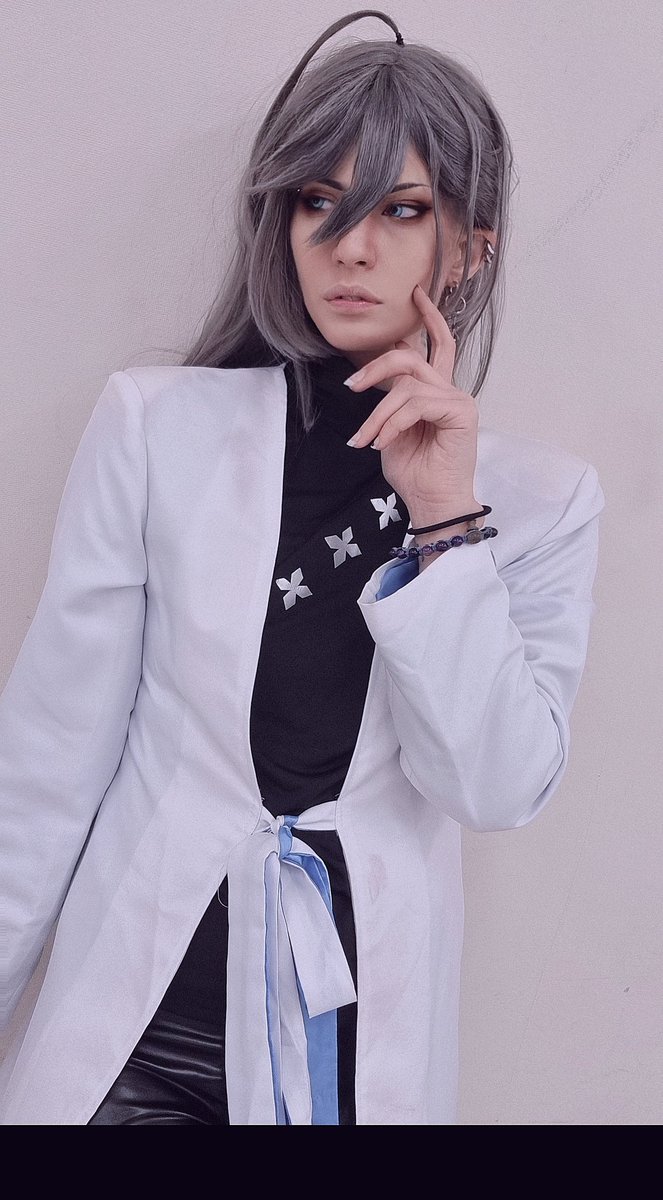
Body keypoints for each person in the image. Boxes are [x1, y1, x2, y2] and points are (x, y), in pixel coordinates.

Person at [0, 10, 604, 1125]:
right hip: (135, 1038)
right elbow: (46, 766)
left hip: (349, 1055)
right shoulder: (158, 430)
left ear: (472, 247)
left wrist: (446, 522)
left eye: (400, 208)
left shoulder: (540, 503)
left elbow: (494, 786)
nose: (350, 245)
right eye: (318, 201)